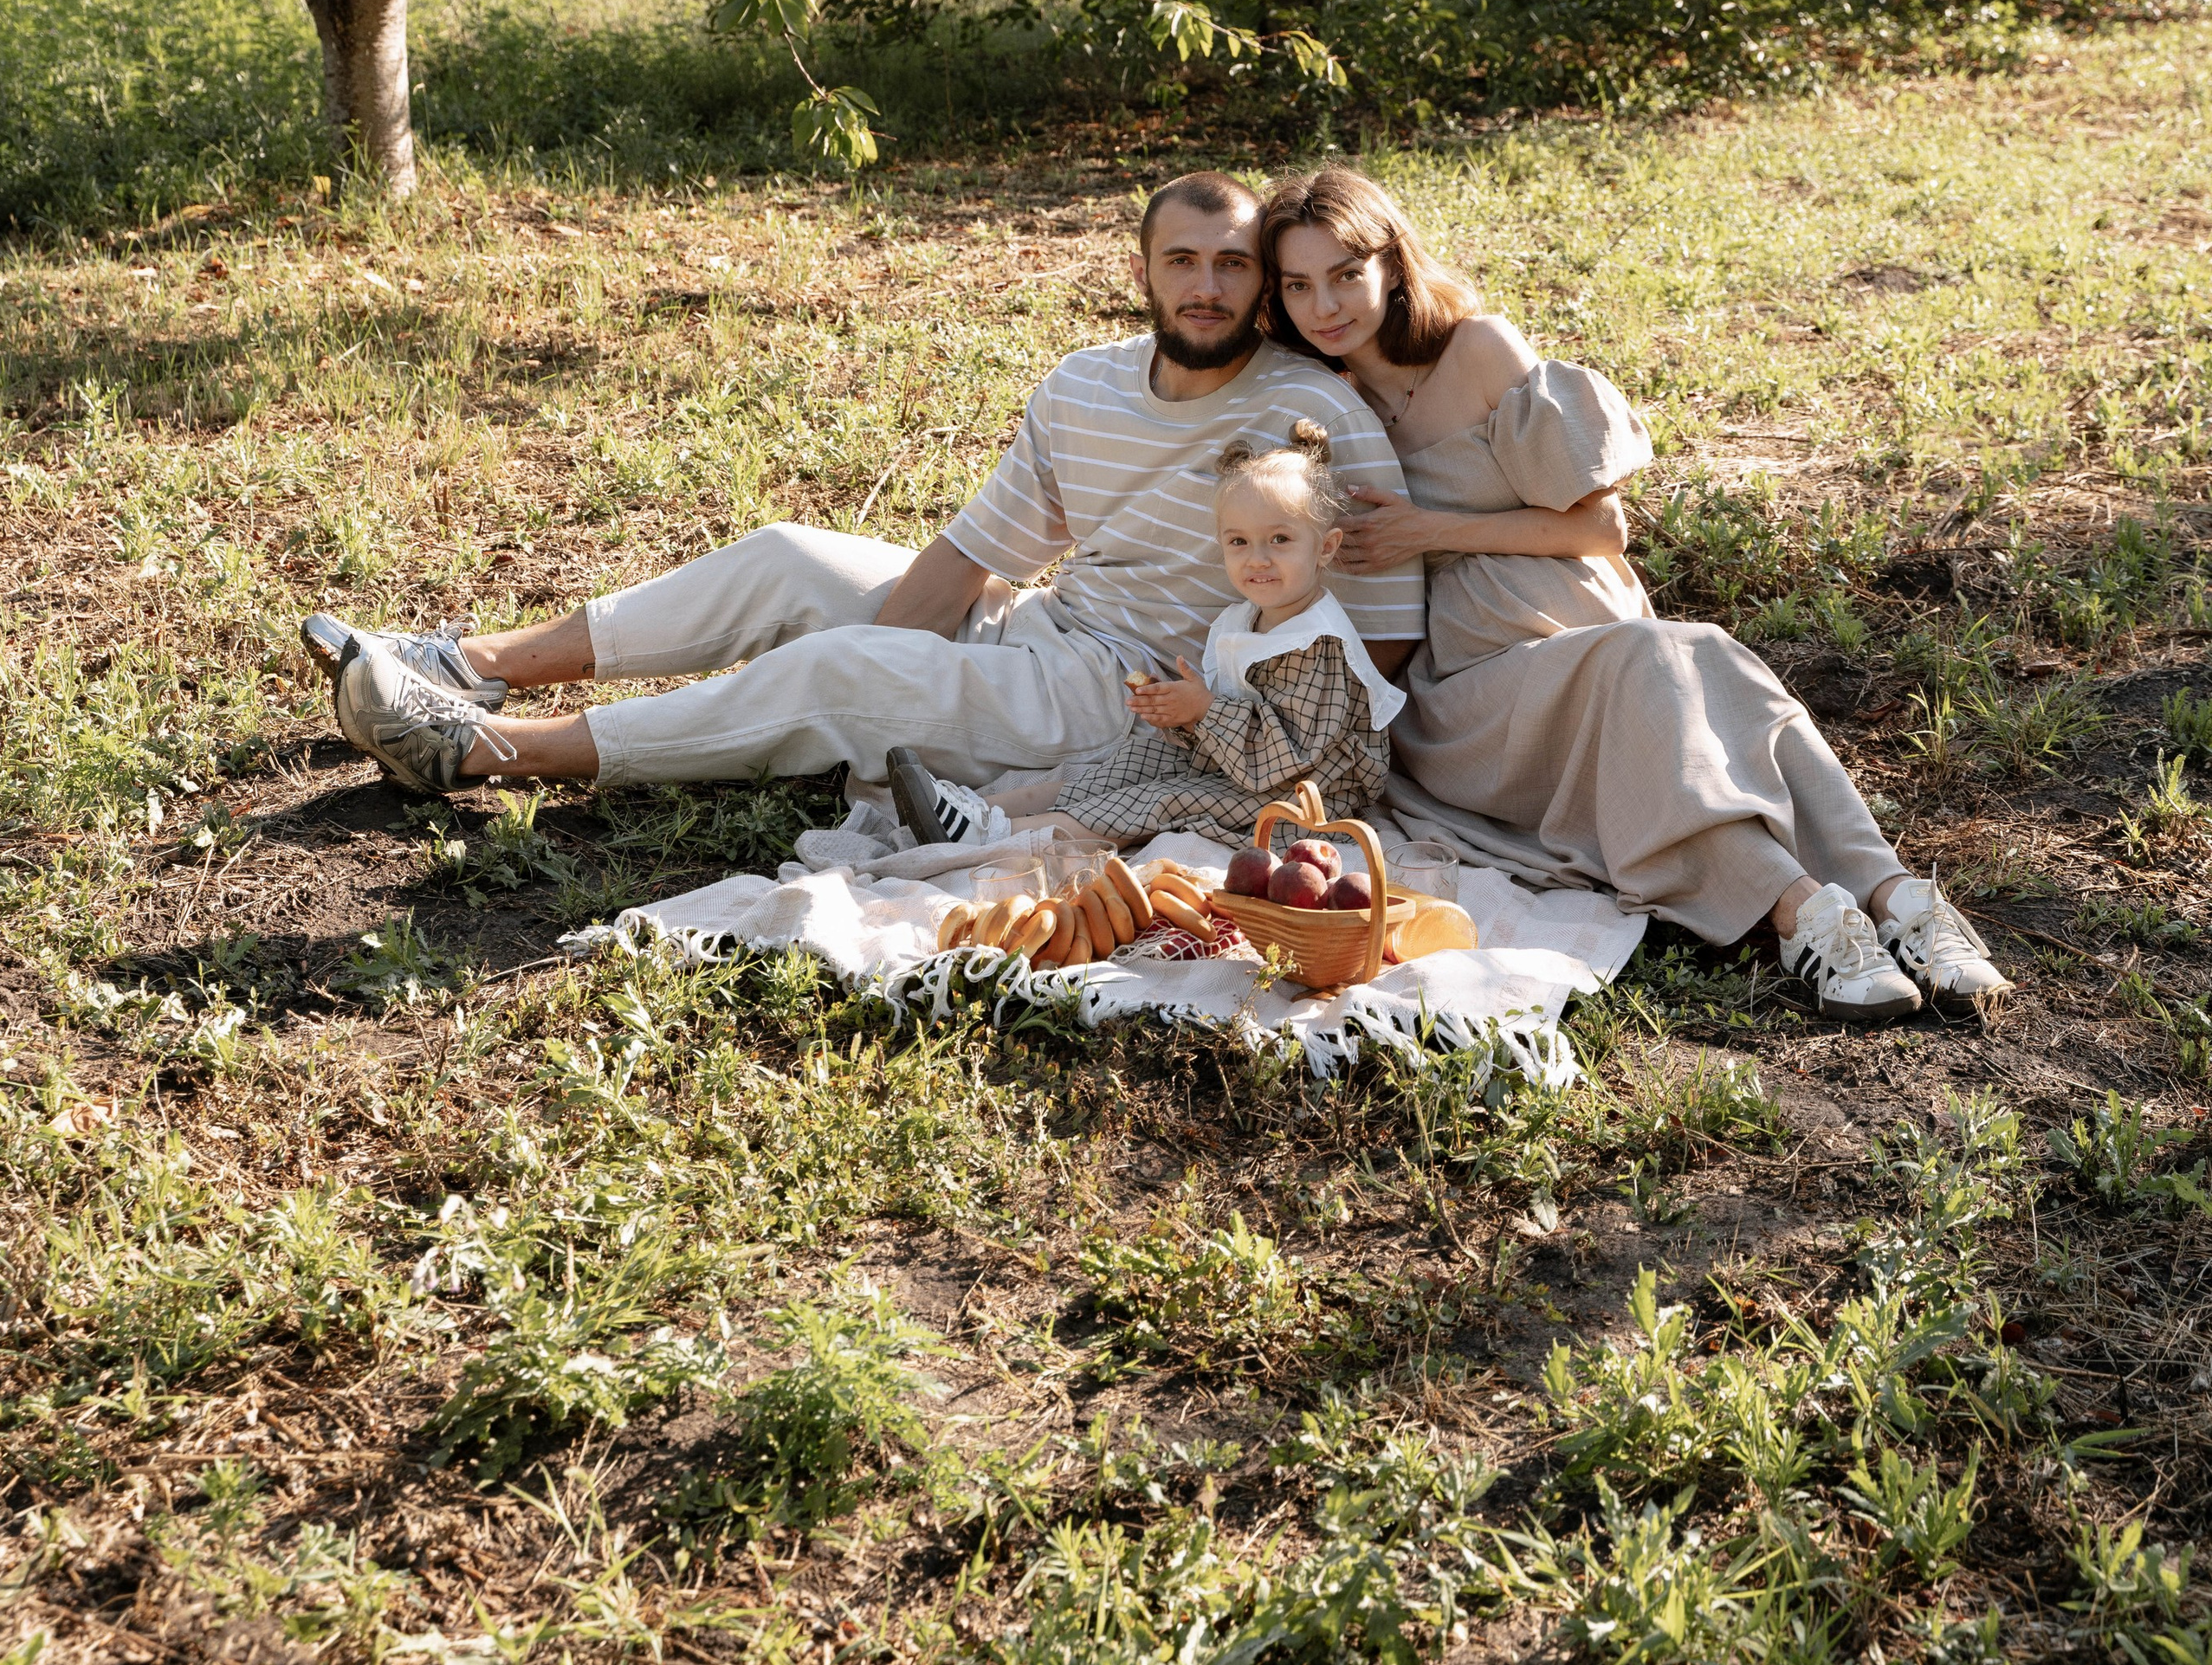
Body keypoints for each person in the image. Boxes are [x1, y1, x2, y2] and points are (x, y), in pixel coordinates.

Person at [305, 172, 1426, 803]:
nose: (1207, 285)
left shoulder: (1312, 413)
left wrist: (1236, 735)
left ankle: (480, 750)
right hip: (1043, 627)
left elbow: (1377, 640)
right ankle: (467, 665)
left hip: (1133, 697)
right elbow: (976, 551)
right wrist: (902, 661)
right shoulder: (1085, 384)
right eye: (1182, 260)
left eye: (1232, 264)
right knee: (791, 557)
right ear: (1141, 272)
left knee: (838, 670)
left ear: (1260, 283)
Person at [1257, 165, 2008, 1025]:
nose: (1325, 306)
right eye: (1298, 285)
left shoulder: (1478, 351)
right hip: (1477, 691)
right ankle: (1805, 912)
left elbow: (1601, 528)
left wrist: (1431, 528)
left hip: (1590, 628)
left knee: (1691, 662)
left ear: (1391, 264)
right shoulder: (1322, 406)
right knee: (1672, 661)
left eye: (1345, 274)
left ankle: (1893, 898)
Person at [895, 418, 1402, 849]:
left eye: (1280, 539)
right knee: (1137, 759)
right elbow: (1238, 717)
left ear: (1325, 547)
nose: (1258, 559)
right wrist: (1183, 713)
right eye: (1239, 542)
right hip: (1247, 764)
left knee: (1167, 798)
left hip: (1307, 800)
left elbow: (1290, 759)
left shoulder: (1318, 644)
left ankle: (1002, 835)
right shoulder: (1246, 619)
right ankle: (975, 809)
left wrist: (1205, 710)